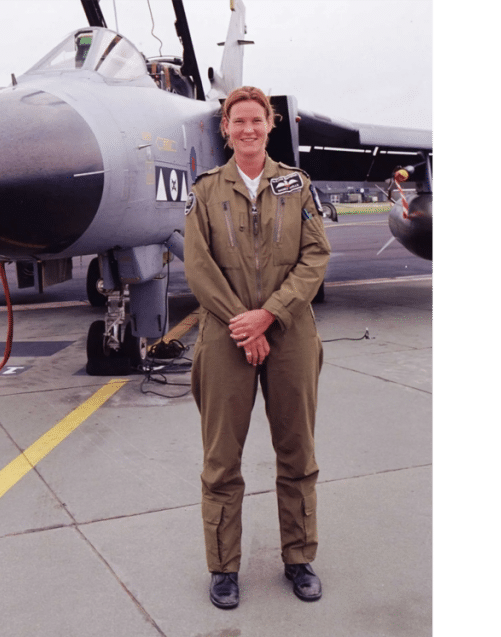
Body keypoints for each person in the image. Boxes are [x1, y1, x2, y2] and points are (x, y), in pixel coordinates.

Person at [184, 86, 331, 610]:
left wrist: (269, 315)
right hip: (225, 336)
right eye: (238, 121)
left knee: (298, 453)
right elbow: (198, 266)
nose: (248, 129)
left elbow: (315, 256)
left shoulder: (296, 185)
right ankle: (224, 568)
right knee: (221, 459)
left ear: (271, 125)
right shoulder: (206, 191)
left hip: (291, 333)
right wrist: (244, 326)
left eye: (257, 120)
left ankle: (300, 558)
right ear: (225, 128)